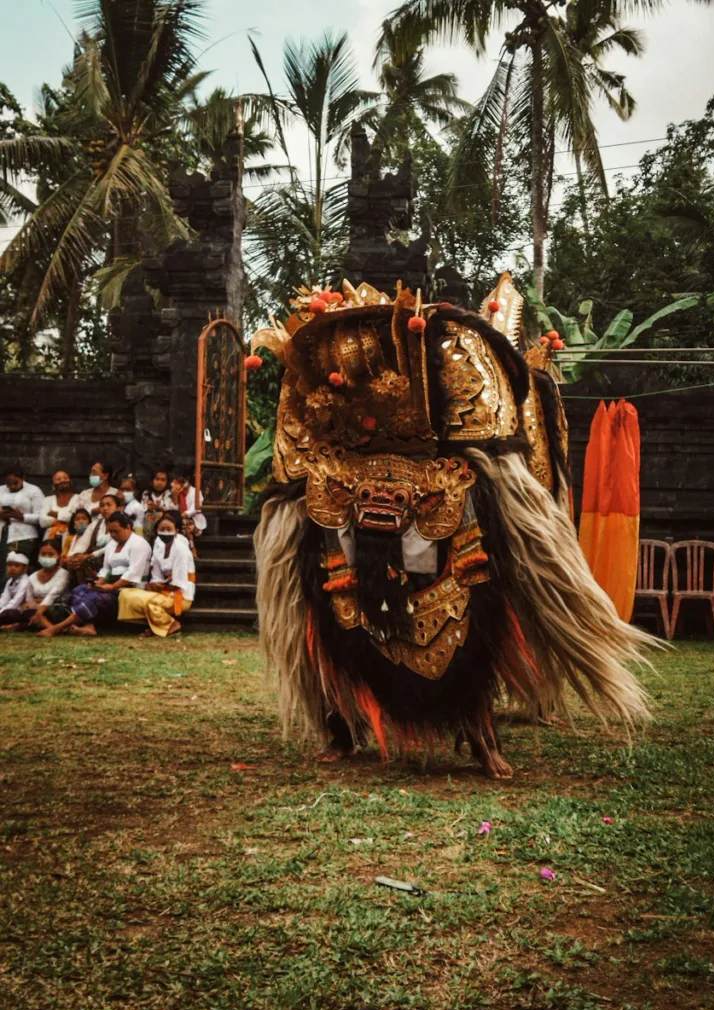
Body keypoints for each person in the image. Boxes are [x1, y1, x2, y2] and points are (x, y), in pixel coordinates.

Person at [254, 277, 651, 778]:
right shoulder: (323, 420)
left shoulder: (463, 418)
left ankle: (479, 731)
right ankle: (340, 726)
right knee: (324, 619)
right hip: (345, 508)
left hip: (446, 506)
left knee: (476, 625)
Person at [40, 512, 151, 638]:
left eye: (116, 531)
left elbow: (133, 572)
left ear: (128, 527)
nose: (113, 535)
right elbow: (105, 568)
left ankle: (57, 628)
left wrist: (112, 587)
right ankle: (89, 626)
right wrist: (99, 582)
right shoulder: (112, 544)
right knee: (80, 590)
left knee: (94, 597)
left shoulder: (139, 544)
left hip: (130, 588)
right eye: (110, 532)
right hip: (111, 585)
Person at [118, 510, 195, 638]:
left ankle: (171, 625)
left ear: (176, 530)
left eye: (169, 529)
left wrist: (160, 586)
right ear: (157, 532)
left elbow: (178, 583)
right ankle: (154, 624)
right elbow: (156, 577)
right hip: (163, 592)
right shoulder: (159, 550)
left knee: (150, 603)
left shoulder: (181, 550)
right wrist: (153, 585)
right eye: (162, 529)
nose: (165, 532)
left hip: (180, 596)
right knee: (125, 594)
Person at [0, 539, 69, 632]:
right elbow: (29, 600)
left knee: (49, 610)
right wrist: (34, 605)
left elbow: (52, 596)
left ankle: (52, 629)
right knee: (18, 612)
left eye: (51, 554)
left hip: (54, 608)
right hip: (34, 609)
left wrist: (39, 610)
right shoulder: (32, 577)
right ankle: (23, 625)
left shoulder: (64, 574)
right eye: (43, 554)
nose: (46, 557)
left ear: (59, 556)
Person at [0, 465, 44, 588]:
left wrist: (22, 516)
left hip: (23, 536)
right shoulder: (1, 490)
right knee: (2, 568)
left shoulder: (34, 491)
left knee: (14, 569)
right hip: (3, 532)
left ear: (23, 478)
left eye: (15, 483)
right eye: (9, 484)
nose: (12, 486)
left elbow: (41, 517)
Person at [171, 468, 207, 556]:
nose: (178, 484)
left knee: (184, 523)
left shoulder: (196, 492)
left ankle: (192, 548)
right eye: (177, 481)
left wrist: (182, 515)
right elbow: (173, 509)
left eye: (181, 481)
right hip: (179, 520)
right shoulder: (175, 492)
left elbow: (195, 508)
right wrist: (175, 496)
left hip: (195, 522)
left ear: (187, 481)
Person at [39, 469, 79, 541]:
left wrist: (56, 514)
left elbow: (76, 518)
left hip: (71, 538)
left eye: (66, 478)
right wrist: (66, 518)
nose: (63, 480)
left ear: (71, 482)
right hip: (50, 538)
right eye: (58, 479)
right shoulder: (48, 500)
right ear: (53, 486)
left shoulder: (79, 498)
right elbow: (43, 522)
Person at [61, 508, 98, 585]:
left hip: (83, 563)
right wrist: (67, 560)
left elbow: (91, 552)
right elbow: (63, 555)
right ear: (73, 523)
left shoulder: (92, 537)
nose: (81, 521)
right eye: (77, 519)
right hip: (68, 564)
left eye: (84, 519)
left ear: (89, 522)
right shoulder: (69, 538)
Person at [141, 469, 175, 538]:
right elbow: (143, 508)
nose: (160, 482)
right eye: (157, 479)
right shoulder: (146, 493)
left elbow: (172, 510)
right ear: (152, 481)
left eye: (163, 480)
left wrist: (158, 508)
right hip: (148, 524)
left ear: (167, 482)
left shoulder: (169, 494)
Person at [0, 552, 31, 623]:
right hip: (11, 608)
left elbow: (15, 603)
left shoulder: (25, 581)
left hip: (22, 610)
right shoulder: (10, 581)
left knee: (8, 613)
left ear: (25, 568)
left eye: (17, 565)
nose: (12, 568)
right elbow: (4, 599)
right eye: (10, 565)